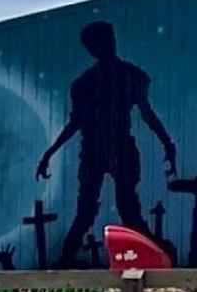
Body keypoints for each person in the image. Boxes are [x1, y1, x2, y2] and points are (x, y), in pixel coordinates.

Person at [37, 20, 178, 267]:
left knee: (127, 208)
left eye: (108, 40)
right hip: (94, 150)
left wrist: (168, 142)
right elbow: (76, 122)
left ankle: (158, 255)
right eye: (99, 43)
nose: (106, 46)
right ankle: (65, 260)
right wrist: (50, 153)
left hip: (121, 148)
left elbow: (147, 113)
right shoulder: (84, 83)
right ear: (92, 49)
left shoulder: (131, 76)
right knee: (87, 210)